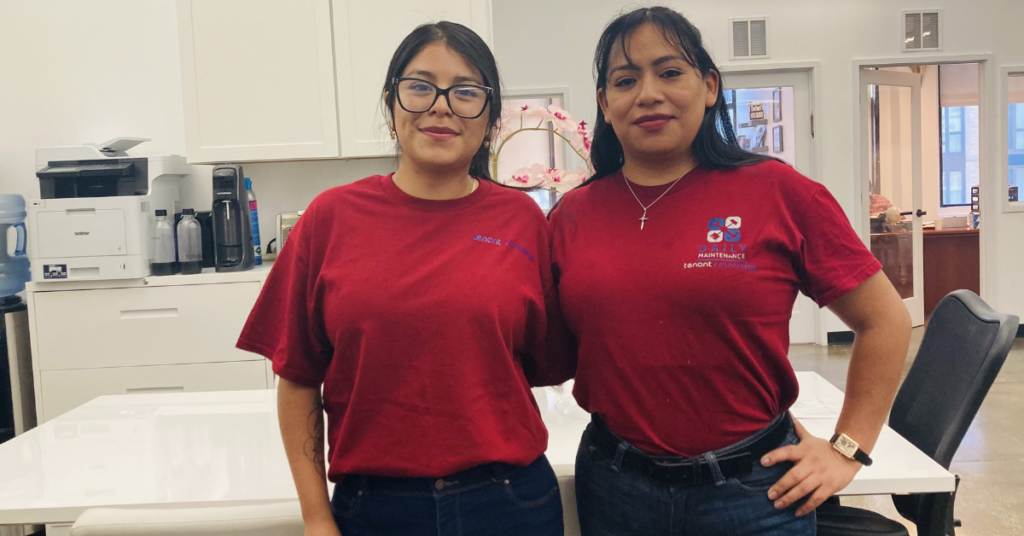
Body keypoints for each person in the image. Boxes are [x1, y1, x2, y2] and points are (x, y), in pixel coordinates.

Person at [548, 7, 912, 535]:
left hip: (754, 491)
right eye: (626, 80)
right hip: (615, 484)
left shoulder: (780, 193)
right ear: (605, 103)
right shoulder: (572, 215)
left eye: (670, 72)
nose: (648, 93)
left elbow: (885, 321)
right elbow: (550, 350)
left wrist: (847, 450)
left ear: (710, 85)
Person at [237, 21, 565, 536]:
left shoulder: (523, 221)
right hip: (372, 508)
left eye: (465, 91)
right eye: (420, 86)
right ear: (392, 104)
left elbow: (547, 359)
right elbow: (297, 377)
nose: (441, 105)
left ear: (489, 116)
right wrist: (316, 517)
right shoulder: (329, 218)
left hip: (508, 503)